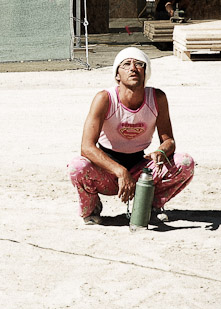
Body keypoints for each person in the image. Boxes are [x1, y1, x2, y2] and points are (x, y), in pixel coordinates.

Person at [67, 47, 194, 225]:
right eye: (126, 64)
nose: (133, 68)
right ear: (117, 74)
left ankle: (151, 205)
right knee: (77, 166)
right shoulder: (104, 98)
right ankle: (92, 208)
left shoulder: (157, 98)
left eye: (139, 64)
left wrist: (161, 151)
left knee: (185, 162)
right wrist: (120, 172)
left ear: (146, 72)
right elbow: (86, 147)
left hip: (140, 169)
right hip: (107, 172)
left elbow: (169, 141)